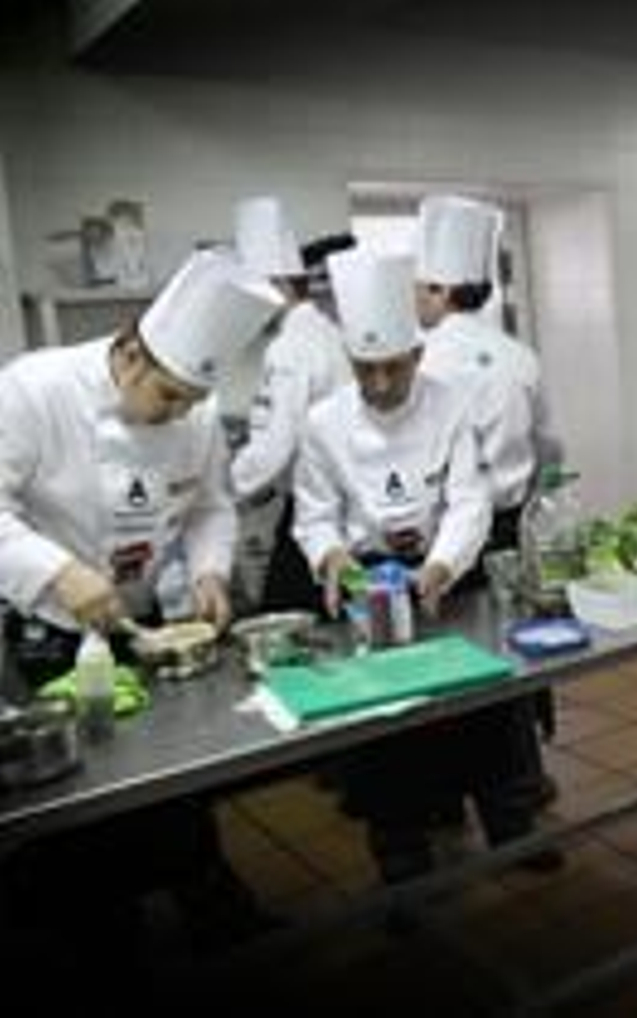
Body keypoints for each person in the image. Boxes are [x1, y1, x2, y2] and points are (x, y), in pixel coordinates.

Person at [0, 250, 283, 982]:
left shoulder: (196, 415)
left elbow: (211, 506)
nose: (180, 414)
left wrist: (213, 572)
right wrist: (57, 572)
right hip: (48, 634)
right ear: (128, 353)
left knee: (171, 776)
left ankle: (214, 912)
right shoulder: (34, 390)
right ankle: (107, 943)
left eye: (192, 401)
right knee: (81, 802)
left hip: (143, 622)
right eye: (167, 396)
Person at [294, 247, 551, 883]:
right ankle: (402, 853)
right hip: (369, 582)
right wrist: (329, 555)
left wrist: (439, 568)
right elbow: (314, 513)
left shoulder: (451, 402)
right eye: (365, 371)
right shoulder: (324, 423)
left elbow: (469, 501)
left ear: (417, 354)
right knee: (391, 725)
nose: (380, 386)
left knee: (489, 703)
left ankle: (512, 827)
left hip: (446, 576)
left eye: (393, 370)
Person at [413, 191, 562, 784]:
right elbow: (551, 447)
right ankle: (525, 784)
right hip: (511, 529)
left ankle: (456, 793)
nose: (414, 299)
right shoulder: (520, 356)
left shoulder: (423, 364)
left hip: (448, 543)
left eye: (418, 287)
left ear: (440, 292)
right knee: (515, 658)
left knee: (452, 670)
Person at [228, 195, 352, 612]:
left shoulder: (290, 348)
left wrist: (218, 491)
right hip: (345, 502)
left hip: (316, 511)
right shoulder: (327, 334)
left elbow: (273, 450)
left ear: (277, 287)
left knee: (286, 619)